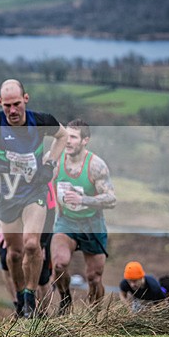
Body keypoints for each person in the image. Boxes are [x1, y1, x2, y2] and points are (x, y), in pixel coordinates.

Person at [0, 79, 67, 318]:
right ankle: (21, 301)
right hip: (7, 193)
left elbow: (63, 136)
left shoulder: (42, 120)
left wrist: (51, 163)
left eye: (16, 104)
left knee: (32, 244)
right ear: (0, 103)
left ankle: (30, 298)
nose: (12, 111)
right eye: (7, 106)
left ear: (26, 99)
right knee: (13, 253)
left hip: (35, 190)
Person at [50, 119, 116, 313]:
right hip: (66, 221)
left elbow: (111, 199)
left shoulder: (96, 165)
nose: (68, 141)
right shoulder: (55, 159)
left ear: (85, 140)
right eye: (66, 136)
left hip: (92, 224)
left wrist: (83, 200)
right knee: (59, 264)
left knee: (94, 277)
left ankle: (95, 315)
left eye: (73, 137)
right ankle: (65, 299)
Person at [0, 177, 56, 316]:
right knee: (8, 256)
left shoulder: (41, 177)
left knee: (41, 276)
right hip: (13, 223)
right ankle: (19, 307)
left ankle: (42, 313)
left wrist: (42, 244)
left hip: (39, 224)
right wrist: (1, 225)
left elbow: (51, 211)